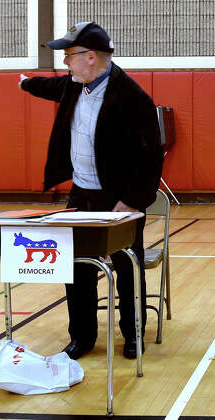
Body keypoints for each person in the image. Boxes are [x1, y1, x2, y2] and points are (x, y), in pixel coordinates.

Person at [19, 21, 163, 360]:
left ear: (91, 57)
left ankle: (133, 334)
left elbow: (150, 158)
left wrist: (130, 202)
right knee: (76, 266)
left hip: (117, 200)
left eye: (69, 56)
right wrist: (27, 84)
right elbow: (50, 87)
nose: (65, 63)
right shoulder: (73, 85)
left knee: (127, 266)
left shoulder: (132, 97)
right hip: (81, 194)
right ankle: (81, 336)